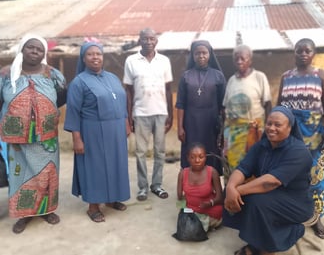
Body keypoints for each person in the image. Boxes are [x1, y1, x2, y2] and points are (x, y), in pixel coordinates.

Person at [223, 106, 314, 255]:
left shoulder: (299, 152)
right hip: (270, 195)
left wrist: (235, 191)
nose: (271, 128)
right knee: (235, 192)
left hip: (296, 203)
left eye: (278, 125)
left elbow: (271, 182)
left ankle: (267, 247)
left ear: (289, 128)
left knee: (257, 203)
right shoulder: (261, 146)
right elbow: (243, 168)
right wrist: (230, 187)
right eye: (269, 123)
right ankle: (255, 243)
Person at [0, 34, 67, 233]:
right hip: (17, 140)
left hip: (46, 139)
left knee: (47, 173)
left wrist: (42, 114)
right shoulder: (6, 74)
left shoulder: (53, 74)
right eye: (31, 47)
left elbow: (61, 98)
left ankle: (46, 210)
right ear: (22, 49)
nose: (35, 52)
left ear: (44, 53)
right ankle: (25, 214)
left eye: (39, 49)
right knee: (21, 176)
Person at [64, 41, 131, 223]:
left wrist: (126, 122)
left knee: (115, 165)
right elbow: (73, 112)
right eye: (90, 54)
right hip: (92, 131)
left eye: (98, 54)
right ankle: (93, 206)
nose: (95, 57)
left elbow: (122, 102)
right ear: (83, 58)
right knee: (95, 168)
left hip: (116, 131)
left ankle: (111, 198)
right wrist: (77, 139)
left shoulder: (113, 77)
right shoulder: (79, 82)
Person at [277, 38, 324, 239]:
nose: (303, 54)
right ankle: (292, 214)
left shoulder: (321, 75)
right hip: (291, 134)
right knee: (290, 175)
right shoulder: (286, 77)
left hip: (315, 134)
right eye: (299, 51)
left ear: (313, 53)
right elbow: (280, 107)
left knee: (316, 176)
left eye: (307, 51)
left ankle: (316, 218)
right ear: (294, 53)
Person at [123, 28, 173, 201]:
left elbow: (168, 89)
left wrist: (171, 115)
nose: (149, 41)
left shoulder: (164, 61)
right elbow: (128, 91)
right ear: (140, 40)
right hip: (141, 113)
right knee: (140, 152)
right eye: (145, 38)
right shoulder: (131, 61)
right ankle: (143, 188)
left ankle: (157, 185)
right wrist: (129, 116)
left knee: (160, 152)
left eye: (152, 38)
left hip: (160, 112)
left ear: (156, 41)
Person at [222, 44, 272, 182]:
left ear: (250, 60)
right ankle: (232, 197)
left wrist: (268, 130)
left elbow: (268, 105)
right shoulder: (232, 80)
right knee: (231, 166)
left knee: (253, 166)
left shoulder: (259, 77)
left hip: (253, 132)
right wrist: (222, 135)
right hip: (232, 133)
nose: (239, 61)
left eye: (242, 58)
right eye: (236, 59)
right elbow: (225, 109)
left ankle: (250, 199)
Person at [175, 40, 226, 174]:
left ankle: (211, 186)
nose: (201, 56)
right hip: (191, 124)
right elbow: (180, 104)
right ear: (193, 55)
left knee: (211, 152)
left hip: (211, 124)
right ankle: (192, 186)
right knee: (191, 153)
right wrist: (180, 127)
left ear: (210, 54)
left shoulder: (218, 76)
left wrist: (223, 128)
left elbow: (223, 105)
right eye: (197, 53)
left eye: (204, 53)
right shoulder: (186, 76)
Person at [177, 142, 223, 231]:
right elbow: (180, 197)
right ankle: (203, 225)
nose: (197, 160)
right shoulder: (183, 173)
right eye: (193, 157)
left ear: (205, 157)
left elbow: (220, 197)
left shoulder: (212, 172)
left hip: (208, 209)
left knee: (220, 210)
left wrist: (210, 203)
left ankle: (201, 224)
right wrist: (182, 212)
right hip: (191, 208)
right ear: (188, 158)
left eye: (201, 157)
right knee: (186, 219)